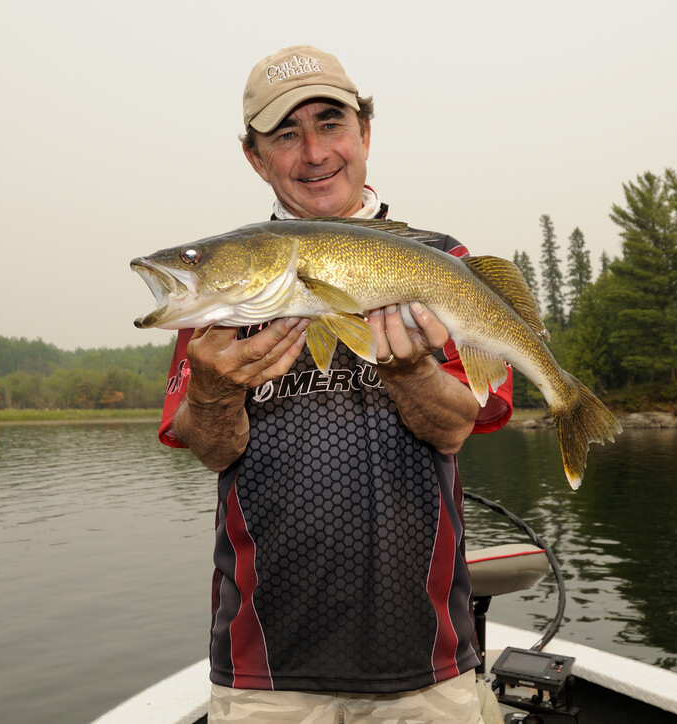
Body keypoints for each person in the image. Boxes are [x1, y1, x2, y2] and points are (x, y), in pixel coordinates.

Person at [158, 44, 513, 723]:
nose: (315, 151)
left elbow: (458, 425)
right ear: (254, 157)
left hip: (428, 662)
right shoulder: (226, 291)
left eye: (330, 124)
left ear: (366, 134)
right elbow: (209, 448)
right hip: (266, 670)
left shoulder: (444, 263)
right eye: (286, 135)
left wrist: (410, 370)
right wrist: (211, 391)